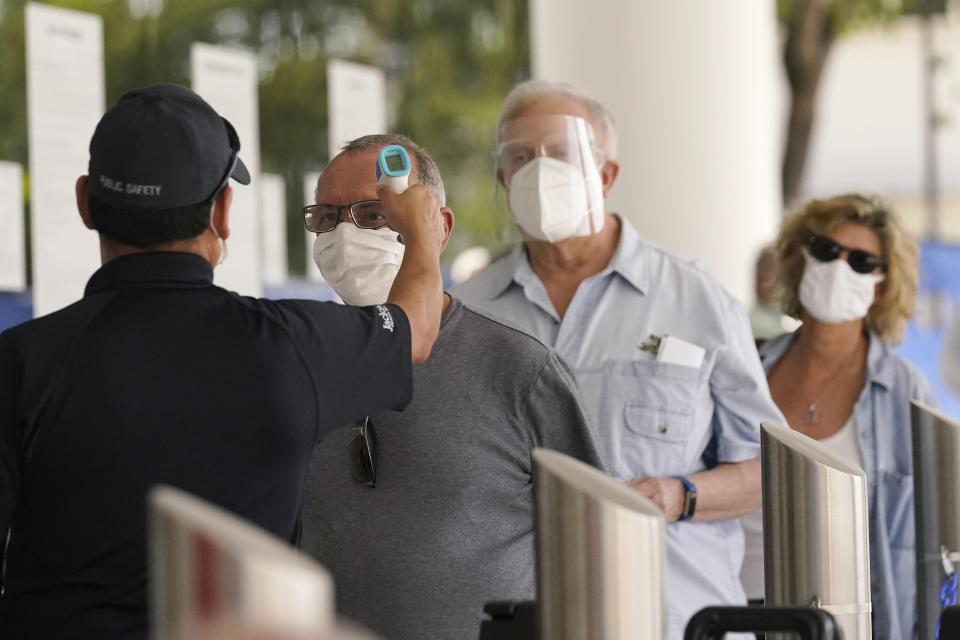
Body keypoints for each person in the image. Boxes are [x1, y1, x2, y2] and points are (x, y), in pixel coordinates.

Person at [0, 85, 445, 638]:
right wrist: (422, 231)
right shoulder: (295, 345)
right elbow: (416, 329)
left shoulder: (19, 363)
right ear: (223, 212)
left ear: (86, 204)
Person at [453, 79, 784, 639]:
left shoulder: (695, 299)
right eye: (520, 156)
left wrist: (679, 495)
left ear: (605, 175)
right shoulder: (466, 311)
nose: (540, 170)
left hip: (675, 620)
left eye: (562, 152)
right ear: (503, 177)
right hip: (523, 620)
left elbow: (765, 469)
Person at [301, 134, 605, 640]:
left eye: (374, 215)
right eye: (326, 218)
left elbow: (597, 542)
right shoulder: (298, 359)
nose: (345, 235)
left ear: (437, 228)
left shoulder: (519, 369)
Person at [739, 194, 936, 640]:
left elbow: (931, 539)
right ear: (800, 256)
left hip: (852, 620)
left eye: (862, 261)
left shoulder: (906, 393)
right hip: (735, 612)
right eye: (827, 251)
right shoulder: (749, 371)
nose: (839, 268)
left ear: (882, 285)